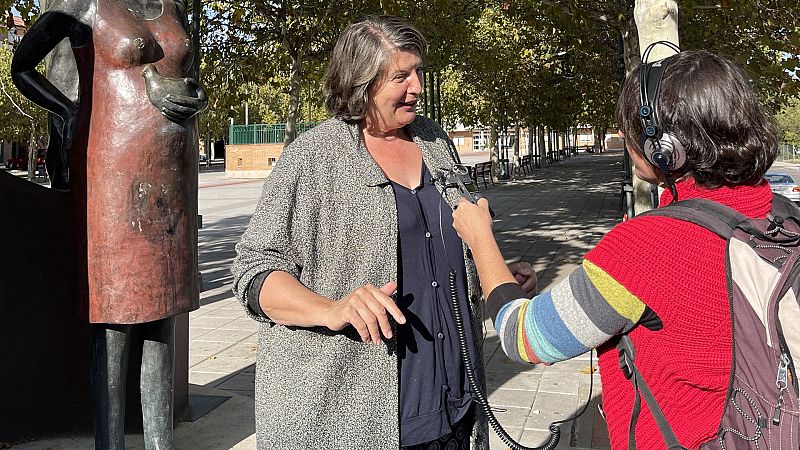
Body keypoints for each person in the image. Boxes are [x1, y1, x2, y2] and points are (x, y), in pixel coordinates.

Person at [231, 15, 535, 450]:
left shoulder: (433, 139)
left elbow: (435, 247)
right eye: (400, 76)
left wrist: (495, 273)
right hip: (354, 414)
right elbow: (252, 273)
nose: (417, 87)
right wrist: (331, 308)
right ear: (361, 83)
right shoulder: (312, 157)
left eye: (418, 72)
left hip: (455, 403)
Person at [452, 50, 779, 449]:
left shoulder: (650, 246)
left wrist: (481, 238)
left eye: (632, 128)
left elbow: (526, 337)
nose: (624, 137)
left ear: (666, 147)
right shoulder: (783, 216)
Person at [11, 0, 207, 448]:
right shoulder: (84, 4)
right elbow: (23, 66)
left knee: (162, 317)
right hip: (111, 171)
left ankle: (162, 443)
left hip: (171, 178)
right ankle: (109, 444)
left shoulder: (172, 7)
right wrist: (68, 110)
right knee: (113, 317)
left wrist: (191, 94)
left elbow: (187, 74)